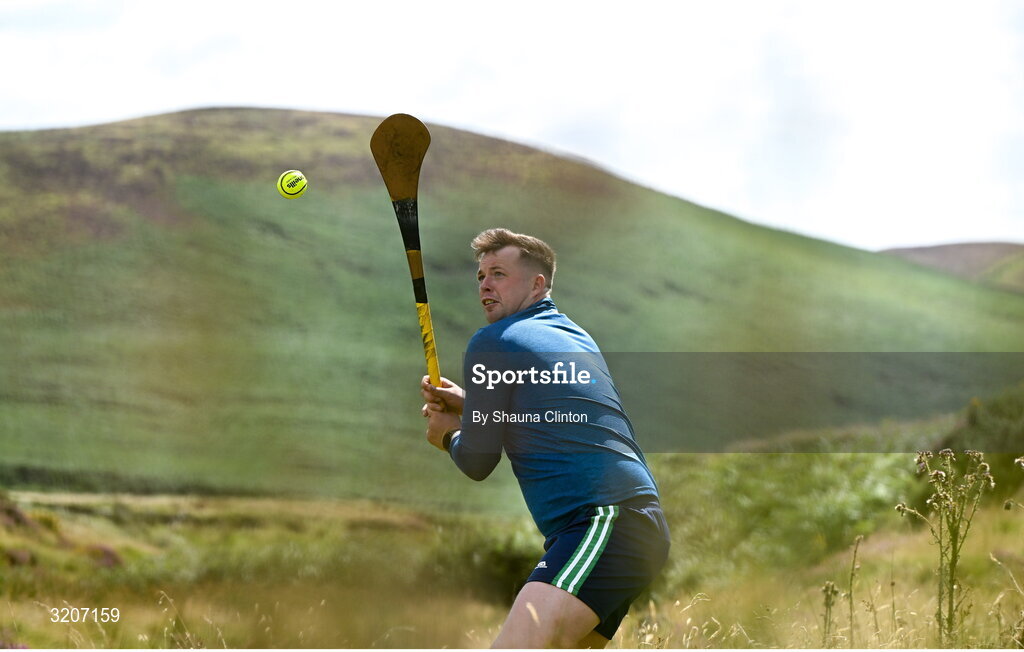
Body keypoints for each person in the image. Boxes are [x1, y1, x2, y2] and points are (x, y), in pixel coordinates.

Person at [420, 228, 670, 649]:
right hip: (634, 525)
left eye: (498, 273)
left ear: (537, 283)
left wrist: (448, 436)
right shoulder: (575, 337)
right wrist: (471, 402)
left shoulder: (494, 342)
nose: (484, 284)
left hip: (599, 522)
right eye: (480, 275)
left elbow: (479, 461)